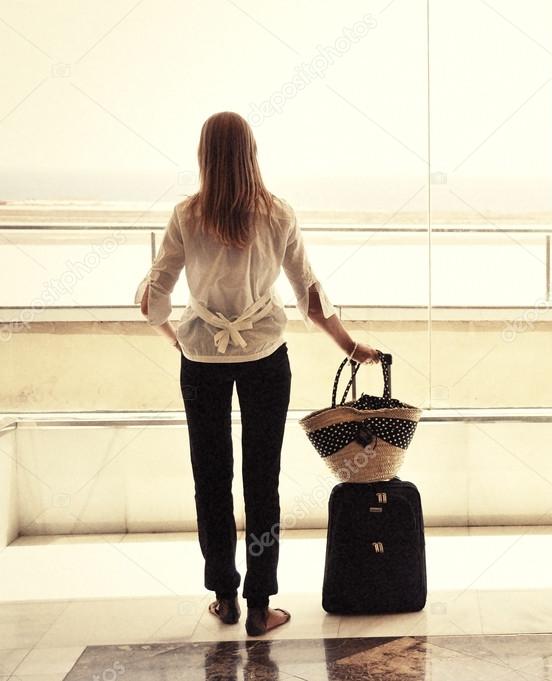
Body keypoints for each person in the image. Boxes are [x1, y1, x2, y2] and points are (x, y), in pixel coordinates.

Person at [135, 111, 381, 636]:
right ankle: (260, 604)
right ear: (251, 154)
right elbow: (310, 296)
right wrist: (350, 344)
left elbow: (153, 301)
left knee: (211, 478)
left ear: (204, 155)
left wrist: (179, 340)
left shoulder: (185, 215)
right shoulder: (277, 215)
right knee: (261, 479)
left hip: (201, 360)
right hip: (266, 358)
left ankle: (224, 597)